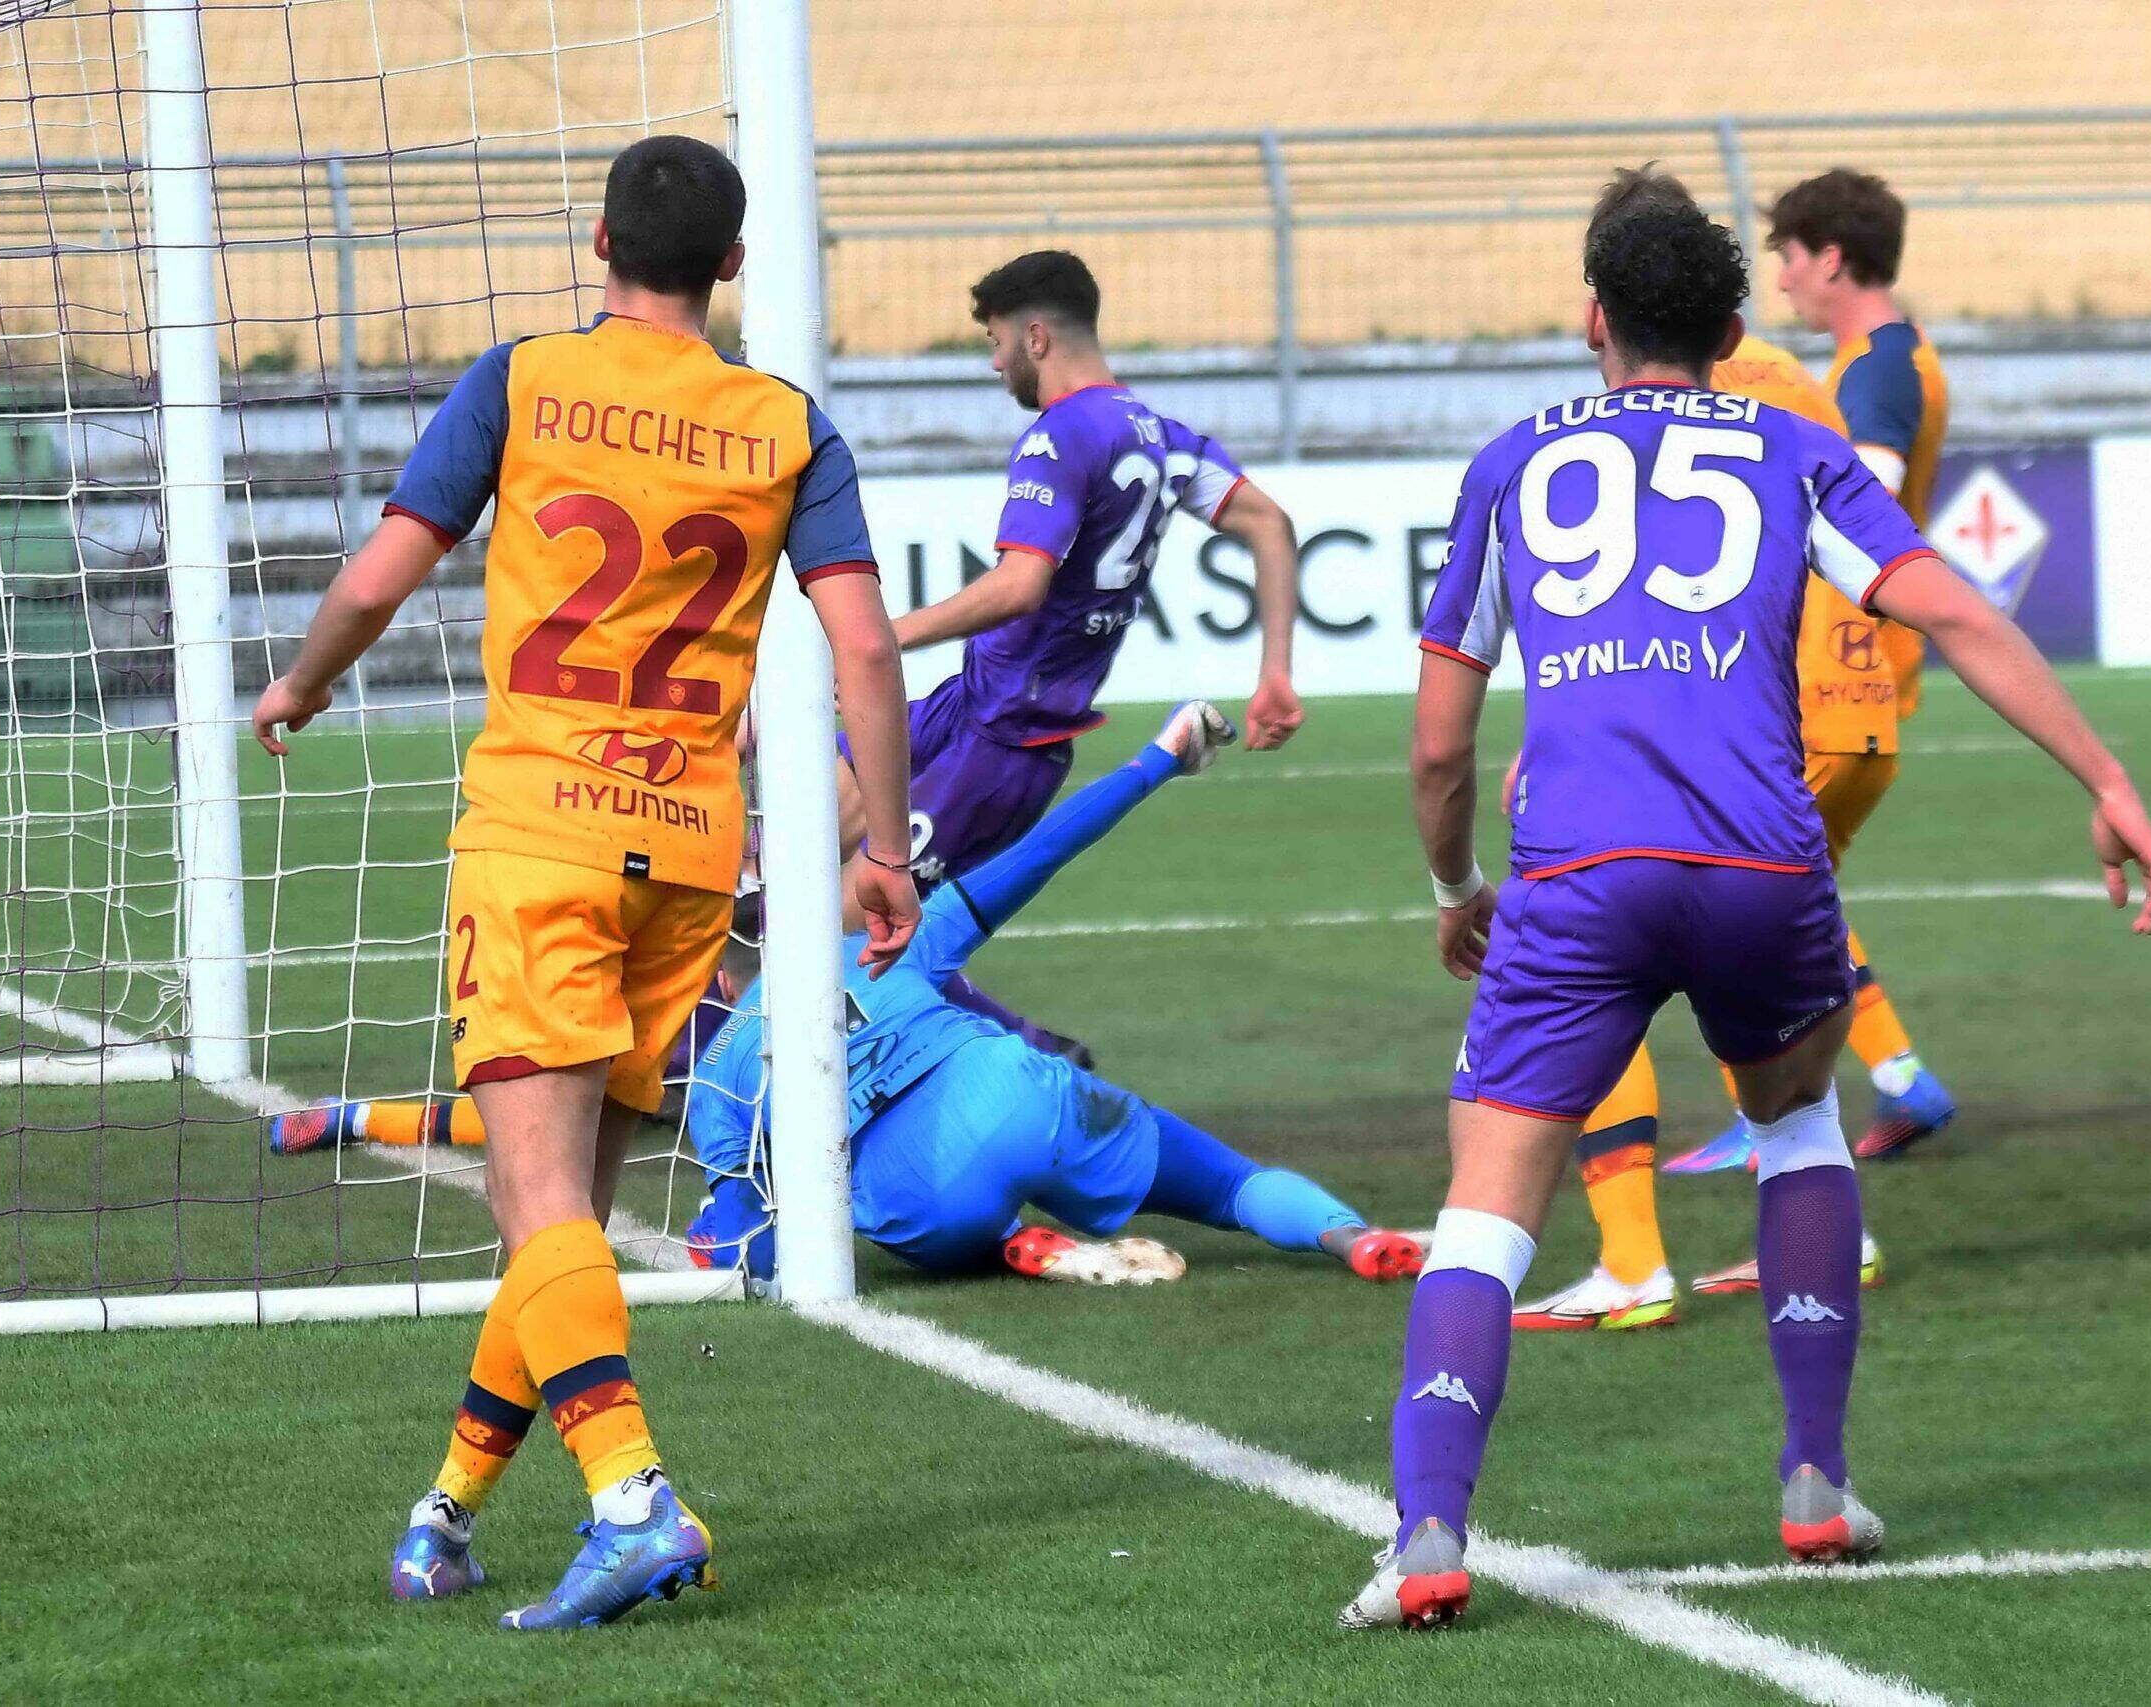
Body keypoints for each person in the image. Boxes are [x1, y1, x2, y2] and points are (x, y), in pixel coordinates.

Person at [1342, 184, 2151, 1631]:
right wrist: (2105, 776)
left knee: (1485, 1202)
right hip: (1764, 865)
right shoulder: (1795, 444)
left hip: (1580, 876)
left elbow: (1435, 742)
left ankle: (1425, 1531)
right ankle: (1812, 1478)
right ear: (1732, 330)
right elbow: (1959, 612)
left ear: (1591, 314)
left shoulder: (1505, 466)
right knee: (1794, 1124)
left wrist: (1456, 886)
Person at [250, 135, 921, 1633]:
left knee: (533, 1191)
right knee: (561, 1213)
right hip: (687, 853)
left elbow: (379, 574)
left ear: (600, 239)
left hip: (538, 830)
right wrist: (885, 849)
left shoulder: (524, 377)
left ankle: (631, 1498)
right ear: (733, 265)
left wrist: (296, 684)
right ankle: (447, 1510)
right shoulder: (785, 422)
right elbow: (867, 648)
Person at [1508, 169, 1899, 1330]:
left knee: (1594, 956)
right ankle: (1840, 1204)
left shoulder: (1657, 408)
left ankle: (1630, 1260)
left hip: (1756, 734)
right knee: (1751, 961)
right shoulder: (1782, 377)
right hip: (1849, 715)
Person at [686, 703, 1424, 1289]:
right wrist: (1156, 761)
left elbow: (749, 1245)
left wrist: (710, 1234)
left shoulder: (716, 1074)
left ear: (724, 979)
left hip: (932, 1198)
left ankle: (1009, 1243)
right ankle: (1351, 1236)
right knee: (1232, 1185)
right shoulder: (885, 947)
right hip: (1027, 1093)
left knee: (891, 1216)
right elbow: (1042, 851)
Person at [833, 249, 1307, 1058]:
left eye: (995, 340)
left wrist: (883, 636)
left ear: (1037, 336)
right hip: (967, 705)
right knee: (786, 841)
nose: (994, 361)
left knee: (850, 932)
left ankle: (1030, 1051)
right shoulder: (1163, 437)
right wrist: (1275, 671)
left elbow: (1020, 584)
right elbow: (1269, 523)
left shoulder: (1059, 436)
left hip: (1003, 744)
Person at [1740, 165, 1957, 1157]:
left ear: (1828, 256)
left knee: (1735, 902)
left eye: (1785, 256)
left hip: (1831, 683)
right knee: (1790, 896)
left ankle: (1774, 1126)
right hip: (1847, 679)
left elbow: (1855, 498)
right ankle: (1899, 1077)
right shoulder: (1884, 360)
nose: (1779, 280)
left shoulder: (1875, 368)